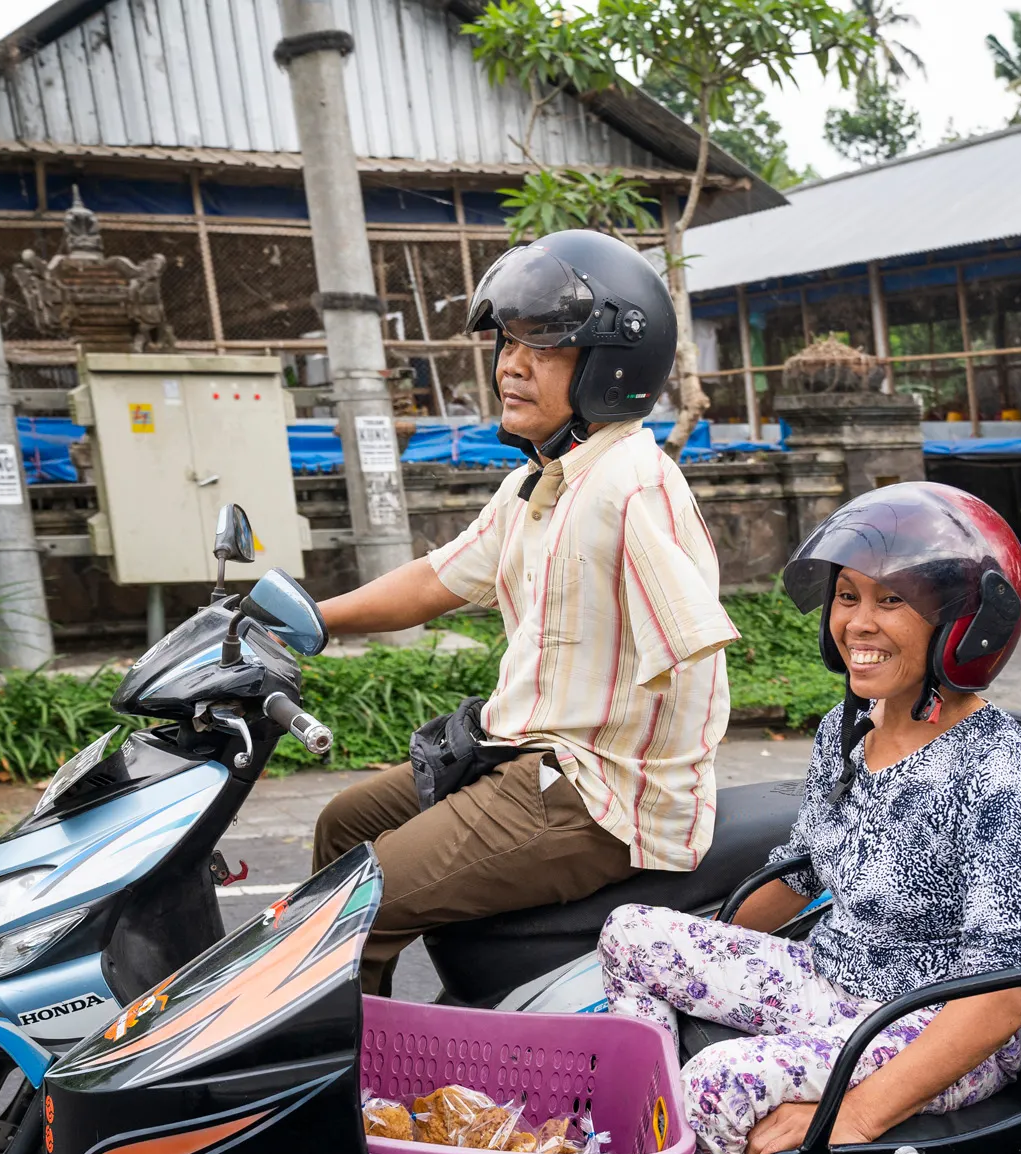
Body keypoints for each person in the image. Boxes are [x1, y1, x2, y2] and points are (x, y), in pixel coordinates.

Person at [597, 482, 1021, 1154]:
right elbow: (805, 871)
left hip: (929, 1021)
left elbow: (1003, 995)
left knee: (716, 1081)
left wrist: (855, 1112)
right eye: (848, 597)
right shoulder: (846, 732)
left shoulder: (1000, 767)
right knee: (630, 934)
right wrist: (705, 965)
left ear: (968, 627)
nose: (858, 623)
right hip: (831, 977)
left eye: (891, 601)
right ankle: (638, 1145)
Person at [314, 230, 737, 998]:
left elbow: (695, 656)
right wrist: (306, 621)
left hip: (594, 794)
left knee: (353, 903)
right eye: (508, 343)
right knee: (342, 827)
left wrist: (648, 771)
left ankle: (342, 1091)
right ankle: (351, 1033)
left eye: (542, 348)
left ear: (610, 366)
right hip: (522, 755)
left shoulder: (632, 483)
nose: (509, 365)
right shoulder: (542, 484)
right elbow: (436, 578)